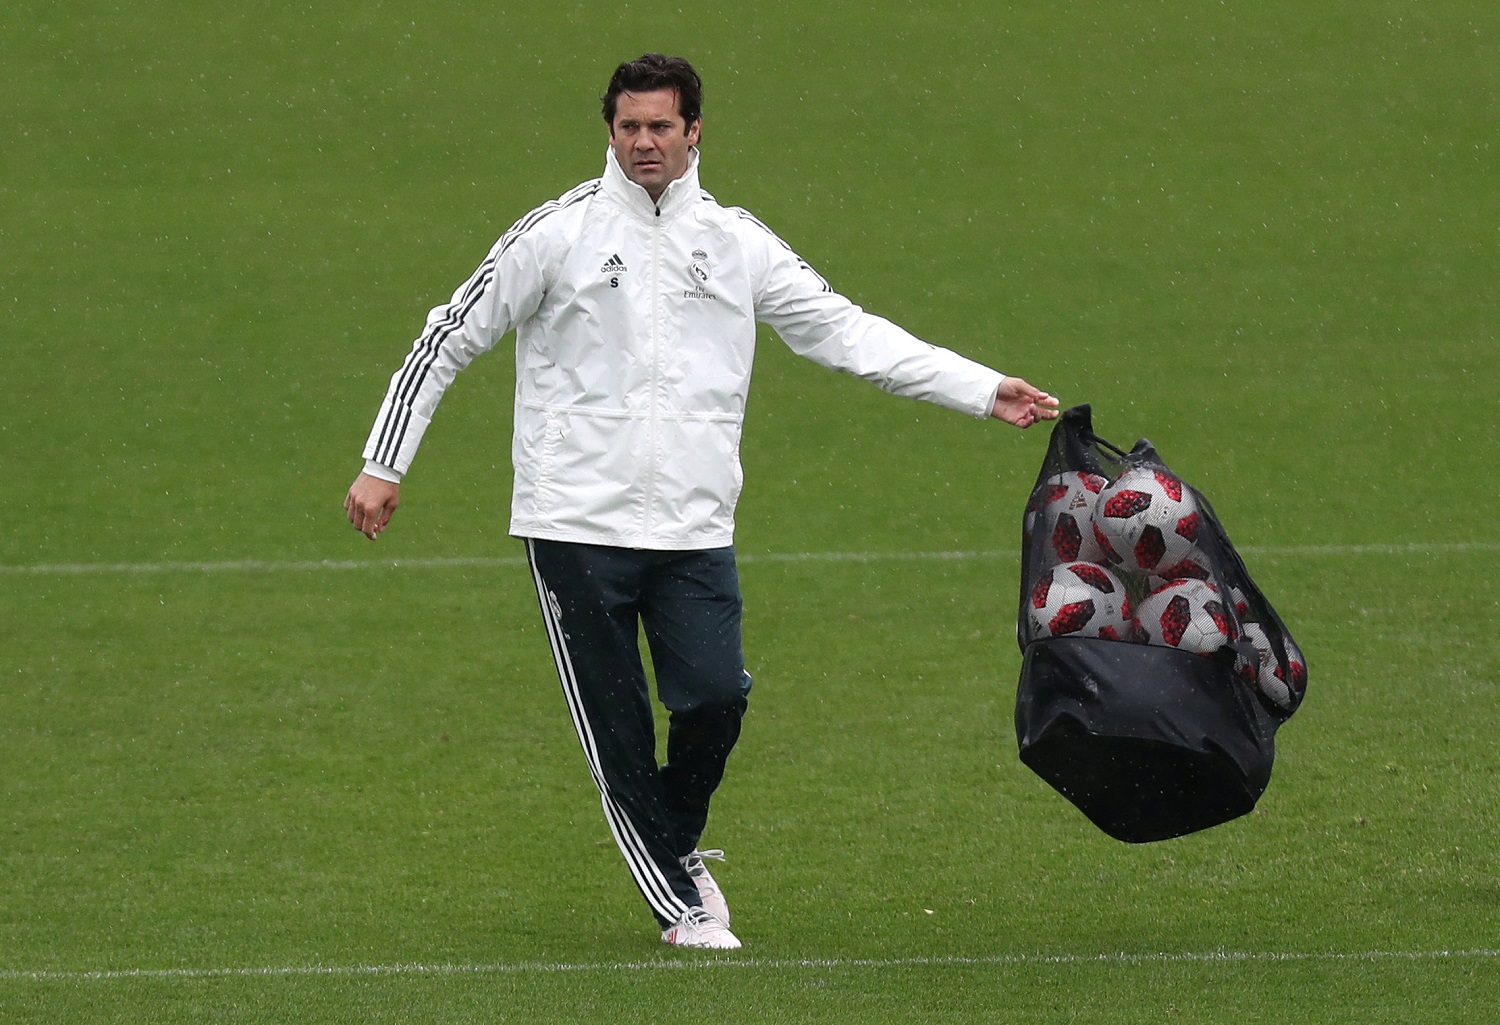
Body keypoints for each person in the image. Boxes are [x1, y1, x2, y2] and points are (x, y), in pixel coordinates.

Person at [345, 53, 1059, 951]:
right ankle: (681, 907)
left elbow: (847, 332)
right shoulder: (554, 234)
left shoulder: (737, 243)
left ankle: (672, 844)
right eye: (628, 126)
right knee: (619, 734)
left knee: (717, 697)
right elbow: (447, 335)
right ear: (609, 130)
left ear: (694, 134)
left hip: (692, 524)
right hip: (573, 524)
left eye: (660, 127)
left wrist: (981, 387)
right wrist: (385, 461)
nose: (643, 142)